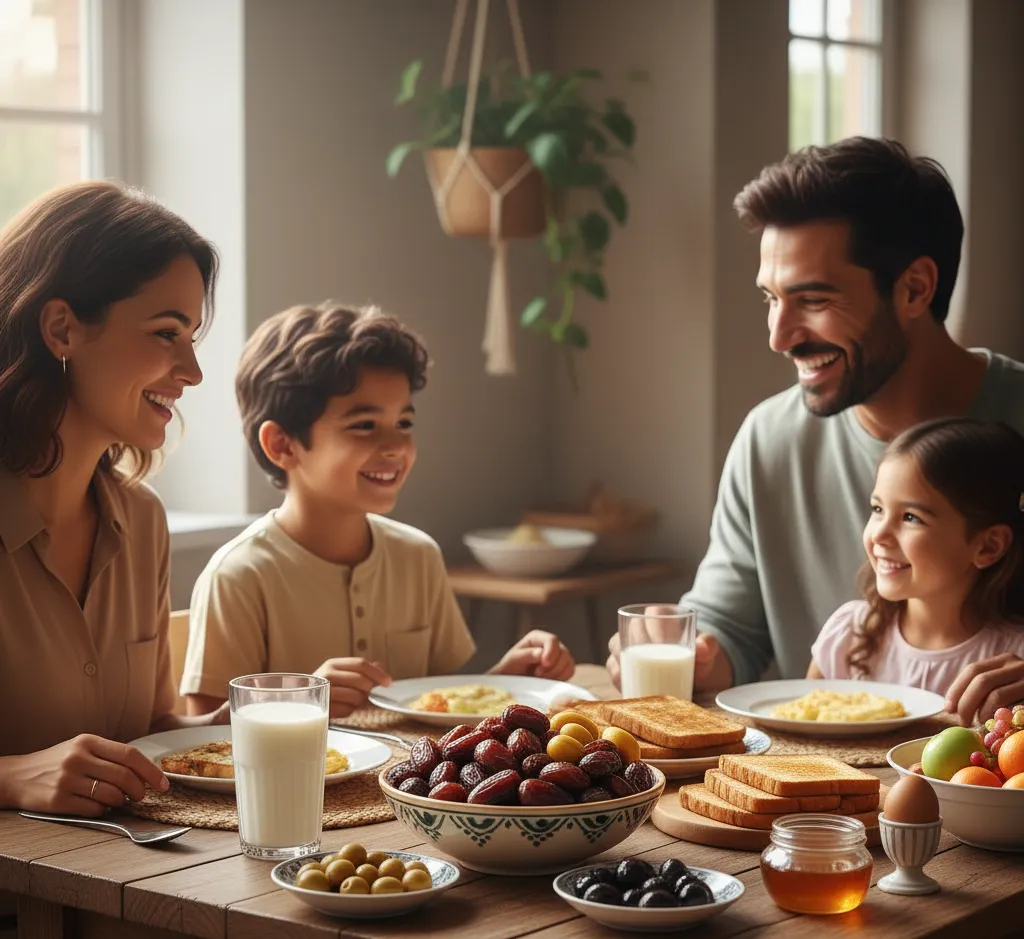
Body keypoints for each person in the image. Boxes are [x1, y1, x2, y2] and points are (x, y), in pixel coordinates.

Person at [605, 137, 1024, 716]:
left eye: (813, 299)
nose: (780, 336)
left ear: (915, 288)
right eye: (771, 299)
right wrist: (692, 653)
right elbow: (731, 627)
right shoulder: (768, 441)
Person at [181, 302, 574, 717]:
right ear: (282, 445)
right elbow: (201, 740)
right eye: (364, 425)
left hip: (402, 783)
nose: (397, 447)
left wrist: (504, 680)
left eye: (404, 423)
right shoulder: (239, 577)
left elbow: (433, 710)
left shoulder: (418, 556)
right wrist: (300, 703)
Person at [0, 181, 226, 817]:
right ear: (62, 328)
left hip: (122, 890)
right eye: (165, 332)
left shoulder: (141, 520)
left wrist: (224, 726)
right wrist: (11, 778)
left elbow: (150, 727)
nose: (192, 370)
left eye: (191, 337)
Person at [810, 418, 1024, 723]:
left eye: (911, 517)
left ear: (988, 546)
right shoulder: (847, 635)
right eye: (878, 509)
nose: (879, 534)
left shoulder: (1013, 668)